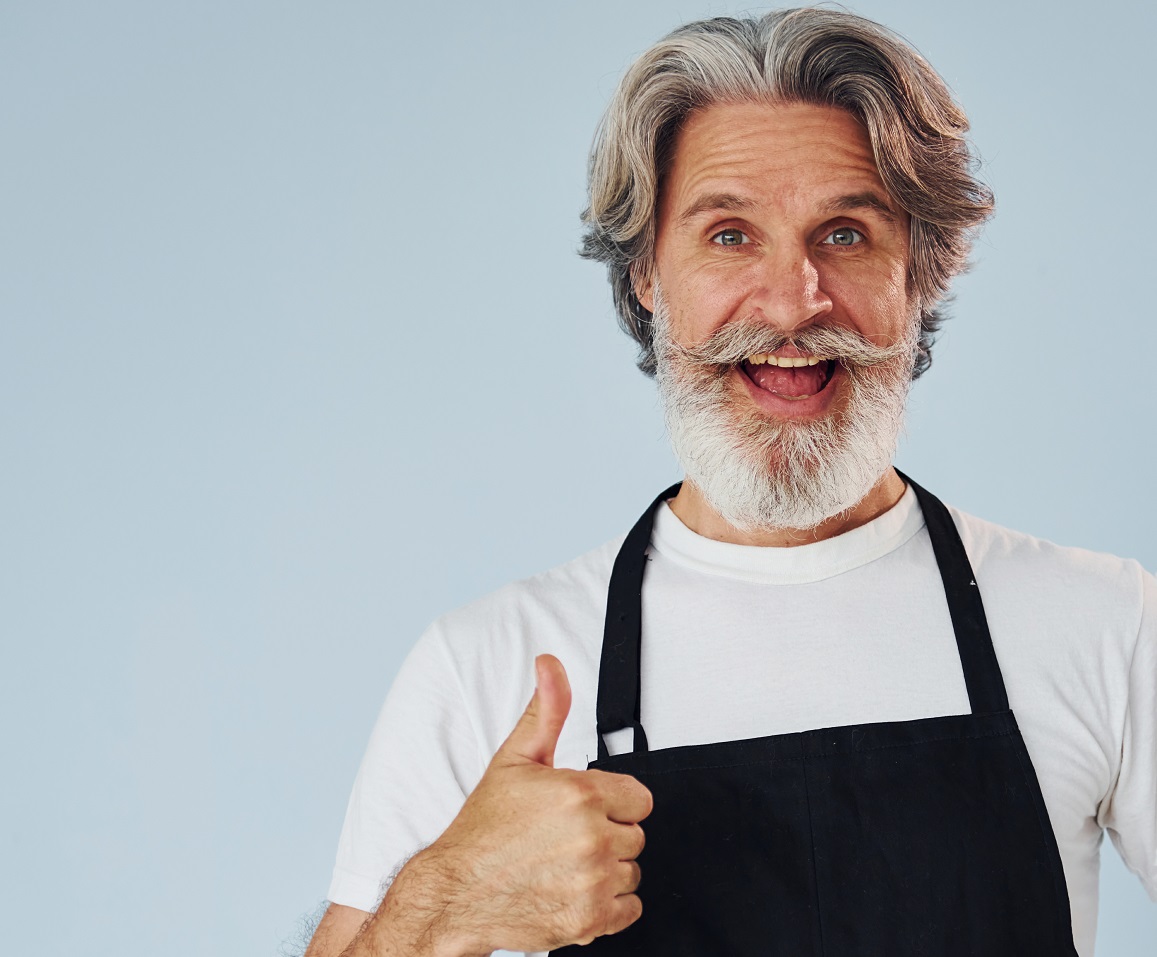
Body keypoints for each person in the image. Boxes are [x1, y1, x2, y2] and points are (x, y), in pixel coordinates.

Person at [305, 9, 1155, 957]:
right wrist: (449, 906)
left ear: (917, 272)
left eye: (844, 232)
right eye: (727, 236)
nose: (793, 302)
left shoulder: (1106, 624)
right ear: (645, 277)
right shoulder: (493, 666)